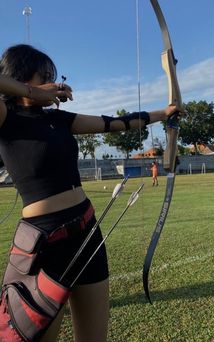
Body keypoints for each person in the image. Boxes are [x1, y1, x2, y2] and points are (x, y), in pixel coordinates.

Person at [0, 44, 179, 342]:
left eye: (54, 76)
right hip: (43, 243)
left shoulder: (60, 120)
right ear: (21, 76)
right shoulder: (6, 119)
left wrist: (164, 113)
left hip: (87, 231)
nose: (55, 83)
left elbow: (114, 123)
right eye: (45, 75)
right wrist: (33, 93)